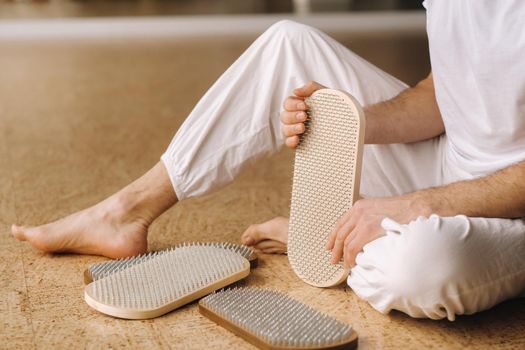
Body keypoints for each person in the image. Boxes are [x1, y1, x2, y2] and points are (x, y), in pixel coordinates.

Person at [11, 1, 525, 320]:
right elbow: (446, 93)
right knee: (289, 43)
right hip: (449, 165)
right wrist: (352, 119)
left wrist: (416, 205)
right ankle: (125, 212)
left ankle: (324, 241)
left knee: (417, 269)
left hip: (510, 211)